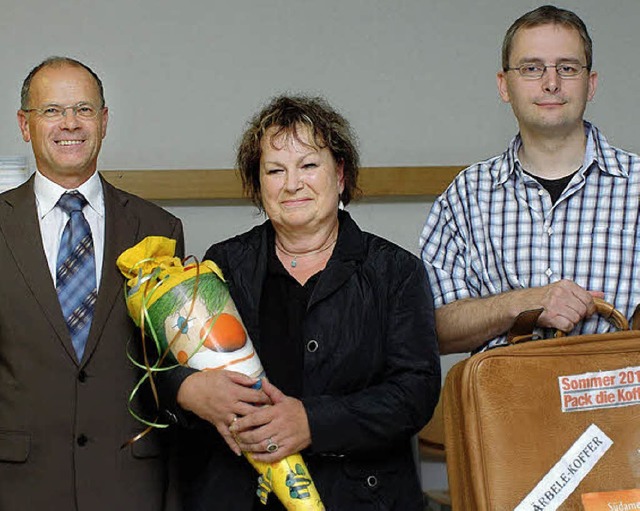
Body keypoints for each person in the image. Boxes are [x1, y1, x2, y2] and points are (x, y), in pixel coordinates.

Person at [168, 95, 440, 510]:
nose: (292, 183)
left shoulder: (395, 272)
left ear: (340, 173)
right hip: (238, 492)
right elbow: (166, 363)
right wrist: (188, 389)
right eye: (275, 170)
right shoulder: (222, 264)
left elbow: (414, 392)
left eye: (309, 165)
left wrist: (312, 422)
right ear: (258, 185)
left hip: (361, 496)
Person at [0, 56, 184, 510]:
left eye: (83, 109)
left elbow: (172, 369)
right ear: (25, 125)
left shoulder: (158, 228)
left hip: (130, 482)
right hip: (18, 484)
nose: (70, 124)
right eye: (52, 111)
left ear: (104, 122)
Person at [419, 4, 640, 354]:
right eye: (531, 68)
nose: (551, 83)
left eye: (567, 68)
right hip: (508, 406)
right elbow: (432, 328)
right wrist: (525, 304)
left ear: (591, 83)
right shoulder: (466, 196)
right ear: (504, 85)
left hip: (621, 406)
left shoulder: (638, 188)